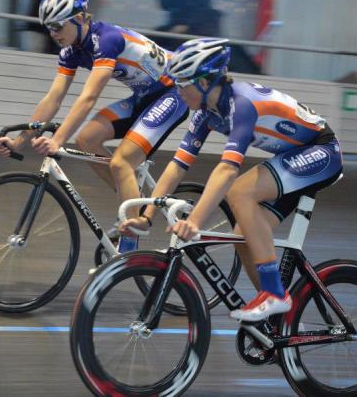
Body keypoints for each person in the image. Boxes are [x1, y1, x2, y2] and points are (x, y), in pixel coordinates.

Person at [120, 38, 343, 322]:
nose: (178, 89)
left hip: (322, 151)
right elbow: (178, 165)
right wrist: (146, 216)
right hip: (293, 157)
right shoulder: (205, 113)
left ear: (204, 82)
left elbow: (227, 170)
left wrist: (195, 222)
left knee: (239, 192)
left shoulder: (242, 104)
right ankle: (277, 321)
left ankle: (275, 294)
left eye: (183, 83)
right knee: (242, 236)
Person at [0, 0, 189, 252]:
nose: (52, 33)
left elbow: (88, 98)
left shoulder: (106, 40)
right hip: (144, 96)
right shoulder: (71, 51)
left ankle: (130, 248)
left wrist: (58, 140)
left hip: (174, 92)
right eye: (48, 27)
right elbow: (53, 98)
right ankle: (133, 201)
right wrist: (19, 141)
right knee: (87, 138)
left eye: (57, 25)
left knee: (121, 163)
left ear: (78, 18)